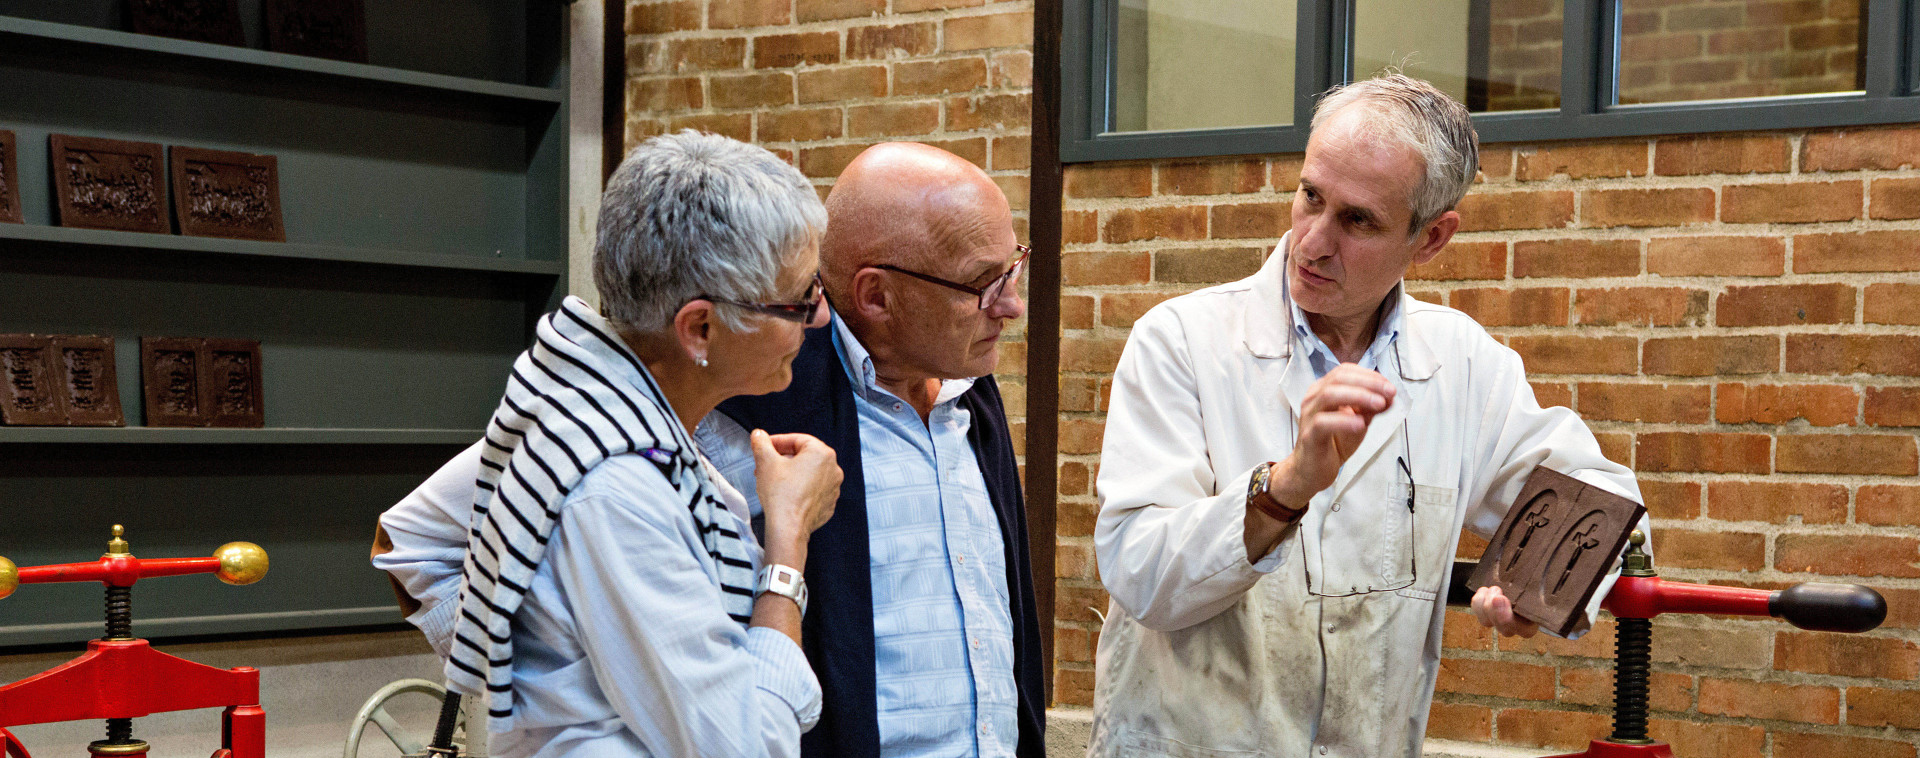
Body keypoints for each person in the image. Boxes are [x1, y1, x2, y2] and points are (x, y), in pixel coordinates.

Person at [374, 141, 1047, 758]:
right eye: (983, 284)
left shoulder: (969, 391)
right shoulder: (668, 423)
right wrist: (557, 686)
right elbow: (420, 541)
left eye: (1013, 269)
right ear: (877, 294)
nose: (1011, 305)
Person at [1087, 74, 1649, 758]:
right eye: (1310, 197)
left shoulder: (1463, 366)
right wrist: (1285, 488)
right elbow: (1142, 573)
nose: (1313, 242)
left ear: (1432, 238)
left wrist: (1537, 584)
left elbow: (1605, 499)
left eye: (1357, 220)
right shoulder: (1182, 341)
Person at [407, 130, 843, 758]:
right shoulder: (610, 479)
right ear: (701, 327)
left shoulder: (587, 404)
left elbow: (412, 538)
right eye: (802, 299)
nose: (820, 317)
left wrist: (553, 658)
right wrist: (788, 542)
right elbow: (746, 745)